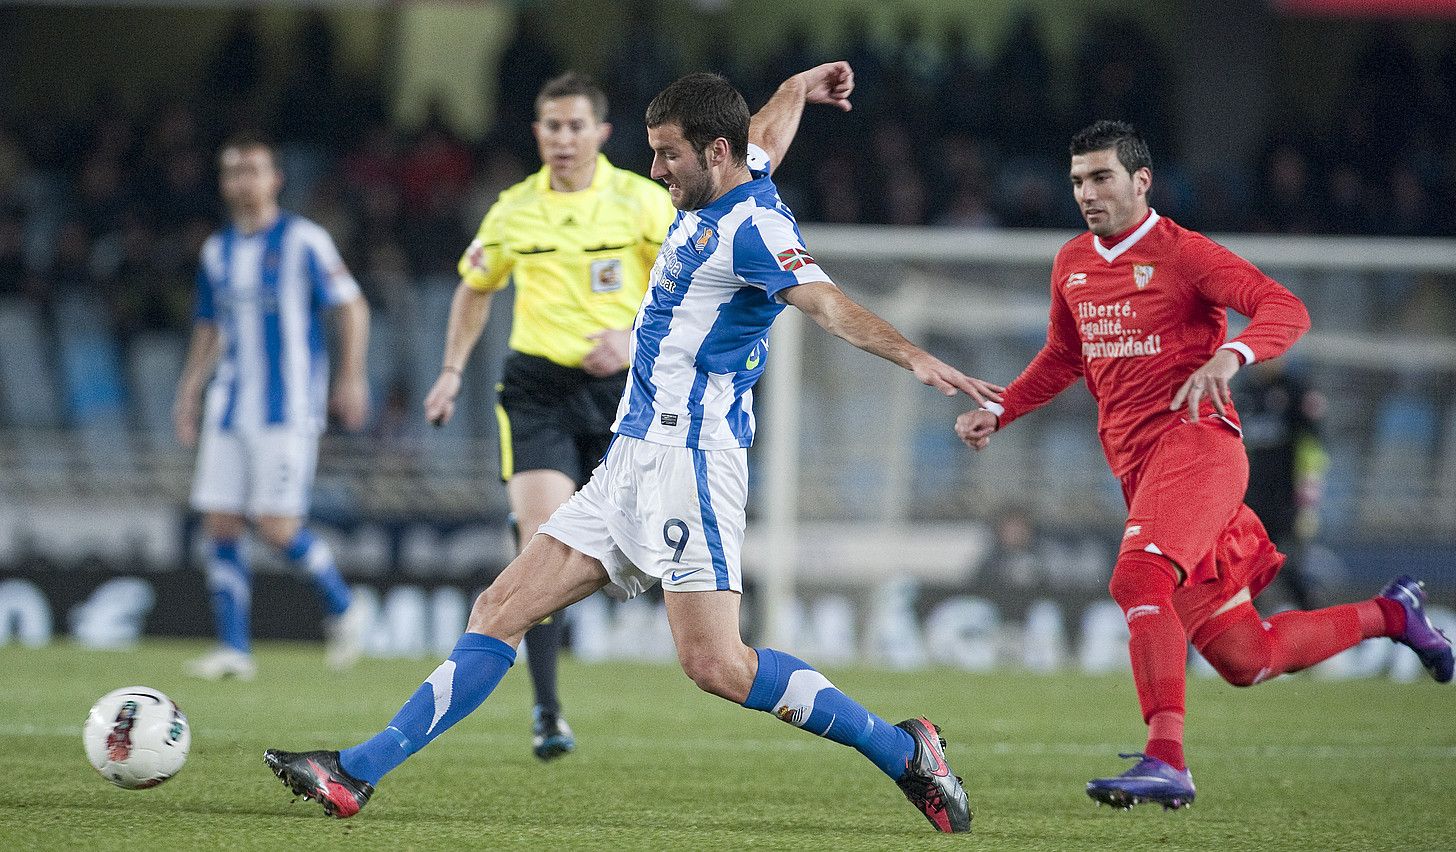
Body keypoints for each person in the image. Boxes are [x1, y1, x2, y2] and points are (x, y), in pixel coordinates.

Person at [265, 62, 1002, 833]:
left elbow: (825, 303)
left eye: (668, 155)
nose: (655, 170)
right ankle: (354, 772)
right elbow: (770, 136)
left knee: (716, 666)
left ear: (713, 152)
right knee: (500, 607)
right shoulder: (732, 169)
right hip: (631, 455)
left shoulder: (757, 229)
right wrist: (798, 85)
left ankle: (904, 751)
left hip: (693, 464)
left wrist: (914, 356)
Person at [955, 120, 1455, 810]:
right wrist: (1002, 408)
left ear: (1141, 181)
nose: (1086, 193)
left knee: (1138, 577)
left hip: (1199, 449)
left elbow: (1286, 308)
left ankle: (1166, 760)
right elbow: (1064, 358)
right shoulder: (1071, 261)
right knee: (1245, 658)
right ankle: (1394, 615)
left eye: (1101, 177)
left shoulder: (1184, 254)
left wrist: (1234, 354)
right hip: (1146, 475)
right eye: (1077, 181)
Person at [422, 71, 675, 761]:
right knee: (542, 545)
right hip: (537, 390)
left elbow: (684, 286)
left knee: (635, 549)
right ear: (538, 134)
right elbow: (474, 290)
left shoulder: (642, 202)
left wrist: (631, 335)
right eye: (551, 127)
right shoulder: (511, 210)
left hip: (625, 388)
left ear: (600, 133)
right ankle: (547, 708)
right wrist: (449, 372)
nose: (563, 139)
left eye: (575, 126)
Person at [174, 135, 371, 680]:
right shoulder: (217, 251)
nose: (243, 180)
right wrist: (190, 388)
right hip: (229, 405)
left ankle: (345, 606)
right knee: (220, 522)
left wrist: (352, 377)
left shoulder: (305, 240)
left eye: (254, 170)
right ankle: (235, 649)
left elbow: (352, 306)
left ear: (275, 179)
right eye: (233, 171)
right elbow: (210, 326)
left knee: (277, 527)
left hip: (288, 407)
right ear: (224, 183)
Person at [1235, 358, 1329, 610]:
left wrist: (1308, 501)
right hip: (1249, 501)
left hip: (1287, 502)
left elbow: (1313, 449)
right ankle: (1248, 636)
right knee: (1244, 571)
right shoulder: (1241, 392)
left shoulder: (1296, 391)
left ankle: (1318, 626)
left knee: (1288, 567)